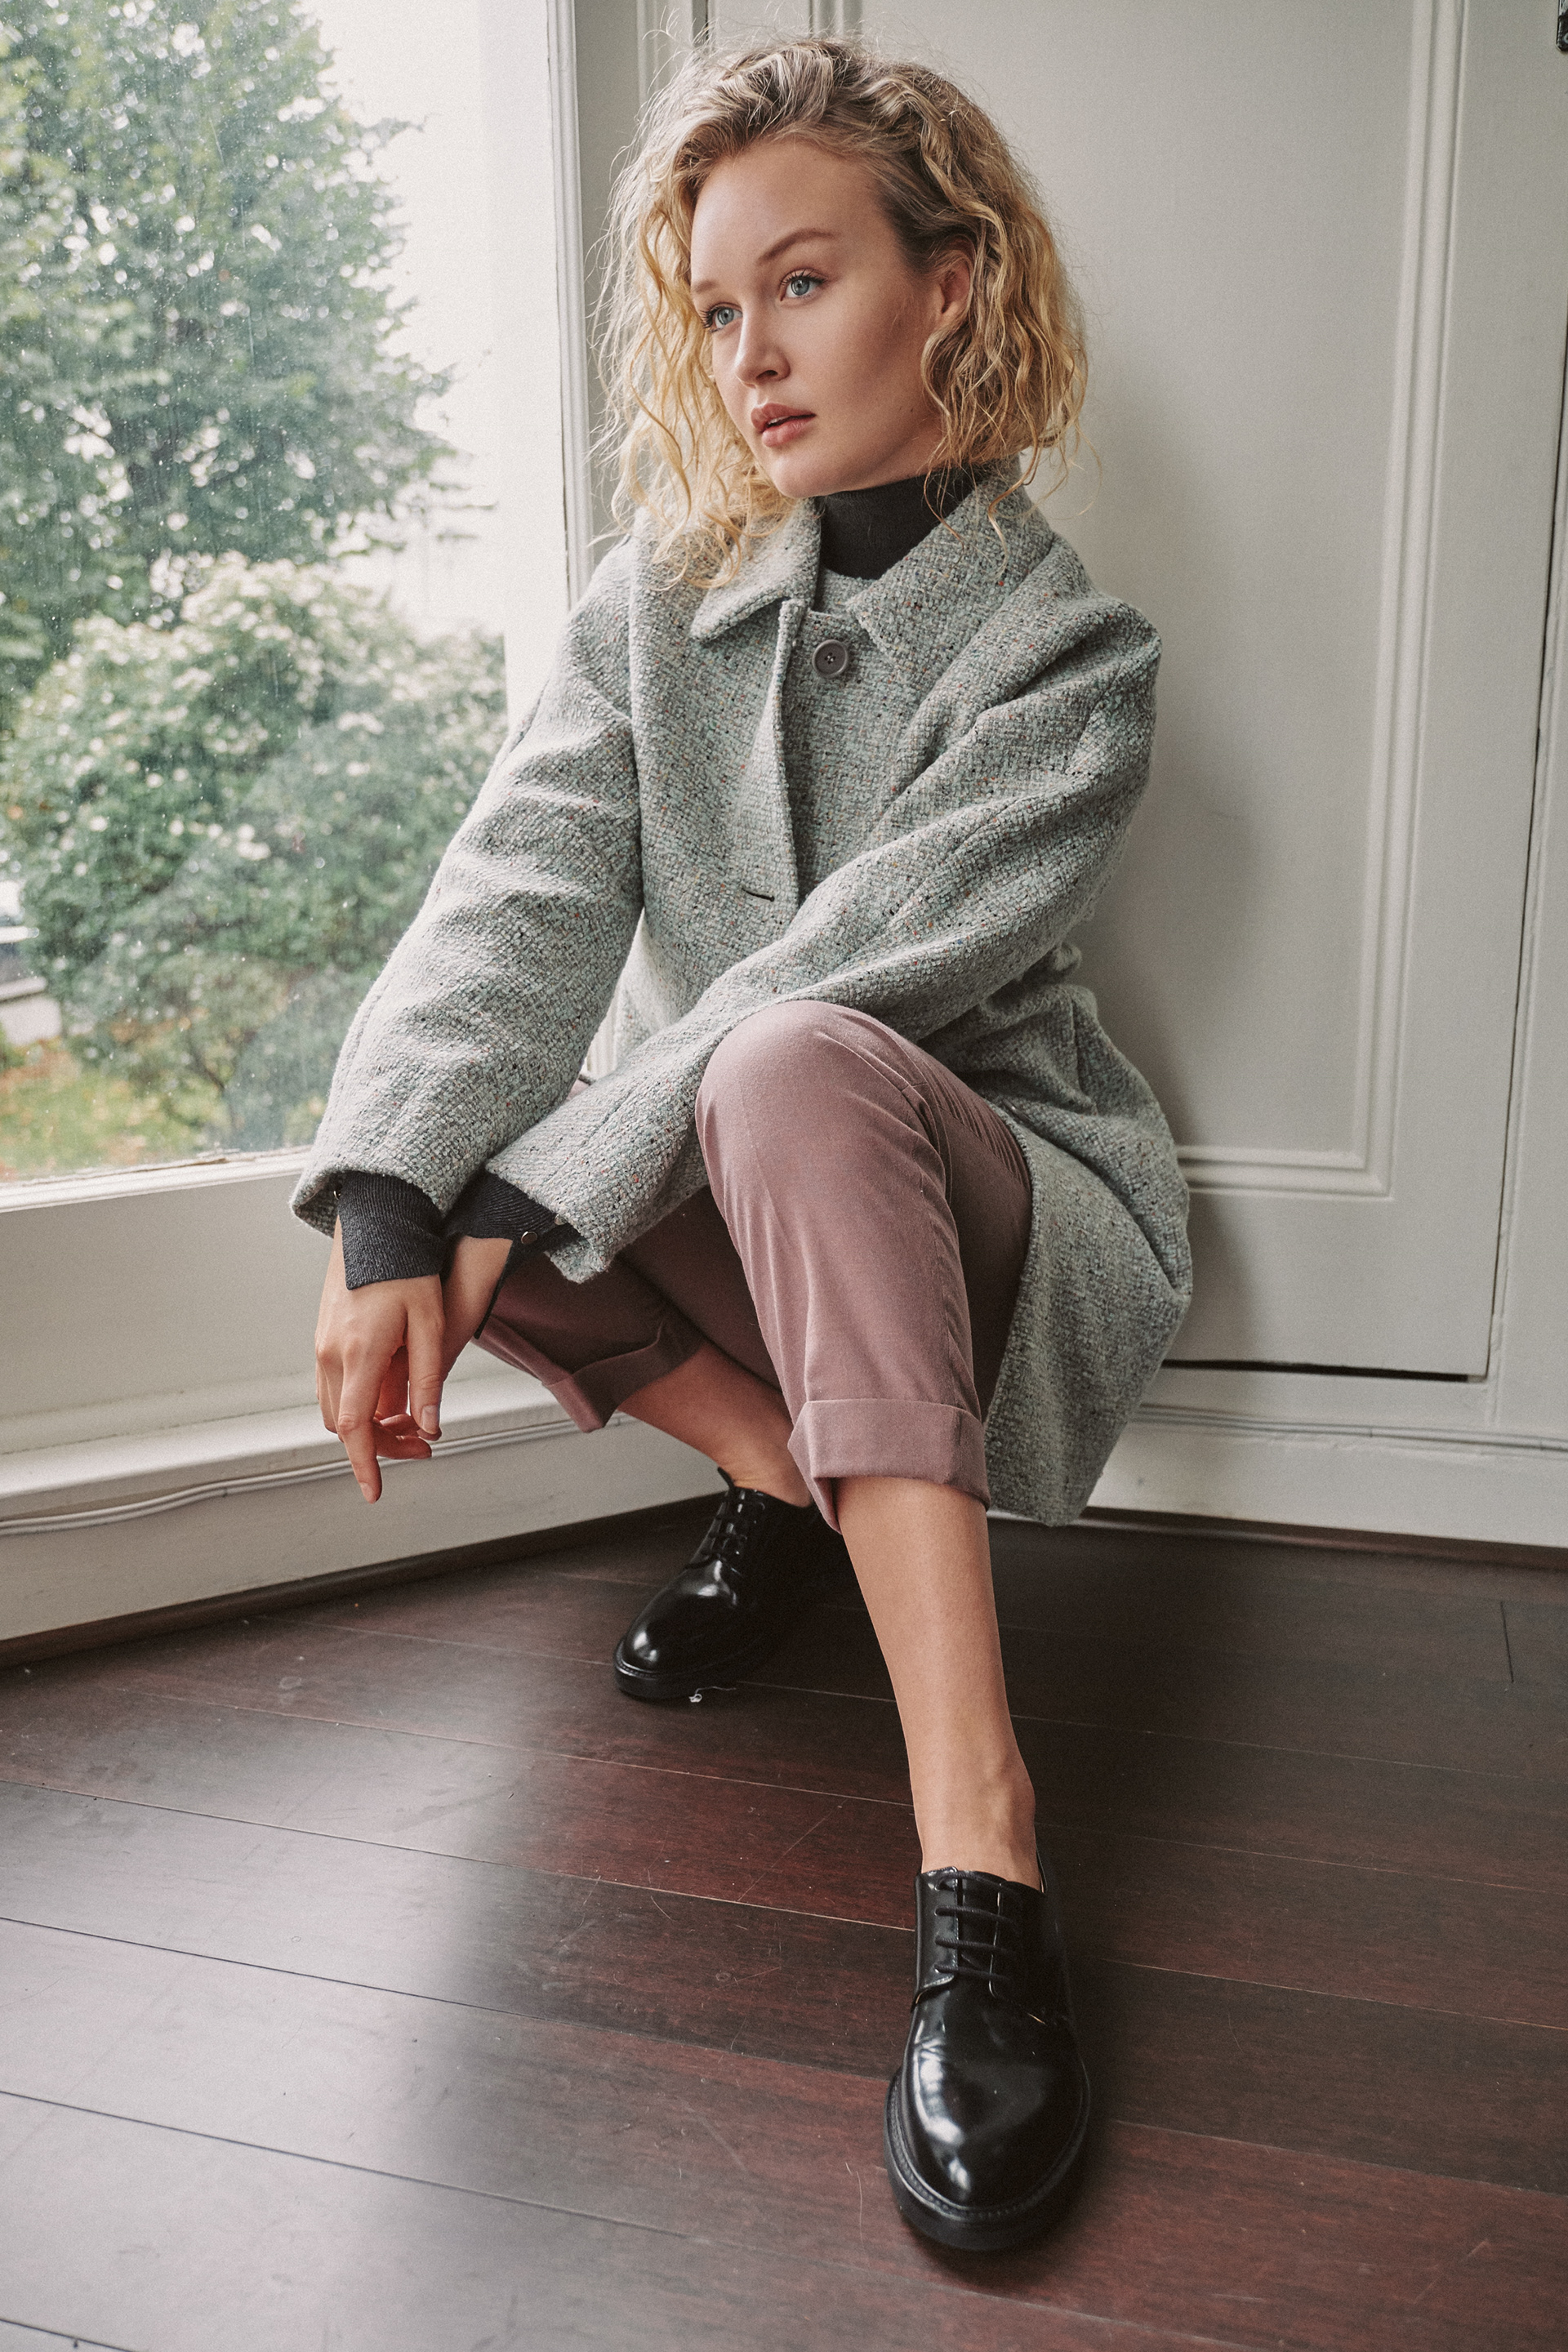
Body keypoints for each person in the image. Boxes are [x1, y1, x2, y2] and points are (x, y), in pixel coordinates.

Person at [299, 34, 1190, 2253]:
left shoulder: (1072, 658)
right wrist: (397, 1206)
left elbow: (853, 966)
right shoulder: (655, 600)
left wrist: (547, 1180)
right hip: (727, 1173)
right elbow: (515, 897)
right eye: (714, 307)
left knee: (777, 1061)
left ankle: (981, 1851)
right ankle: (786, 1481)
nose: (748, 355)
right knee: (443, 1176)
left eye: (802, 282)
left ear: (952, 285)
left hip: (992, 1199)